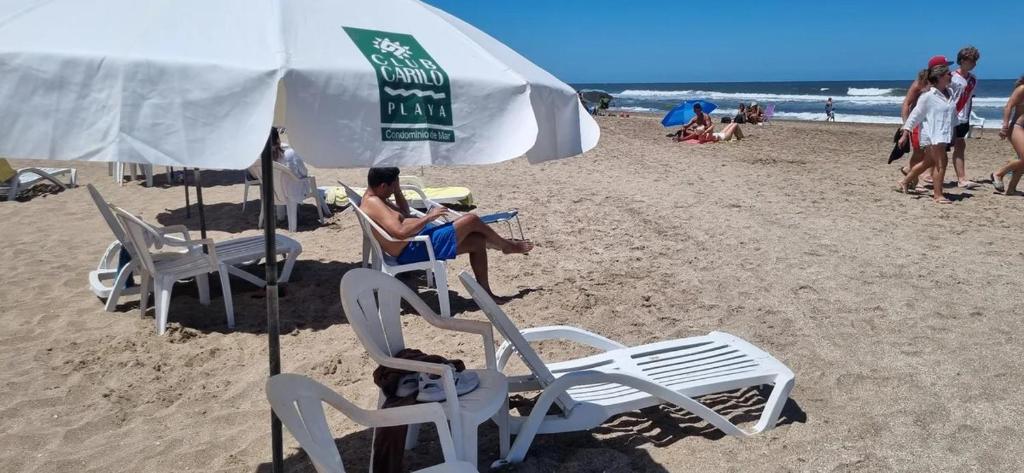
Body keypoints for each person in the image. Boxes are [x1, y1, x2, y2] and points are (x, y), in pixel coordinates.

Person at [359, 167, 532, 295]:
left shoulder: (376, 198)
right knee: (471, 219)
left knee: (478, 241)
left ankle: (486, 292)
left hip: (418, 240)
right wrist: (429, 217)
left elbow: (404, 214)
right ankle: (506, 246)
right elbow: (400, 232)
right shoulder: (374, 203)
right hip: (414, 248)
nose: (392, 191)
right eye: (391, 187)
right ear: (382, 186)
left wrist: (397, 191)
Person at [896, 56, 958, 204]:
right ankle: (938, 195)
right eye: (948, 74)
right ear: (939, 77)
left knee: (928, 163)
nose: (951, 75)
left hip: (944, 135)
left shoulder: (950, 93)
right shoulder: (928, 96)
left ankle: (904, 182)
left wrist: (954, 134)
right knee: (941, 163)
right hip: (933, 136)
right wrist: (905, 134)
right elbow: (914, 116)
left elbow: (952, 116)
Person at [950, 46, 981, 189]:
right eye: (971, 60)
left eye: (975, 61)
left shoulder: (973, 79)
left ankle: (961, 178)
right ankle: (918, 171)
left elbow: (969, 98)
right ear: (962, 60)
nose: (974, 63)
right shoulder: (951, 77)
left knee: (960, 146)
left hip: (964, 118)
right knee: (940, 147)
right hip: (950, 117)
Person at [989, 75, 1024, 195]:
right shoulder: (1022, 88)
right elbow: (1009, 106)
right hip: (1017, 127)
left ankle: (1012, 189)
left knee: (1022, 161)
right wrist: (1005, 126)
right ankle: (998, 173)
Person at [900, 68, 931, 188]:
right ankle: (911, 176)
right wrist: (906, 126)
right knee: (919, 152)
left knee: (930, 152)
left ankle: (911, 173)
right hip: (919, 123)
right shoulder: (919, 84)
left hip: (930, 123)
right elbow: (907, 103)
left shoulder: (940, 83)